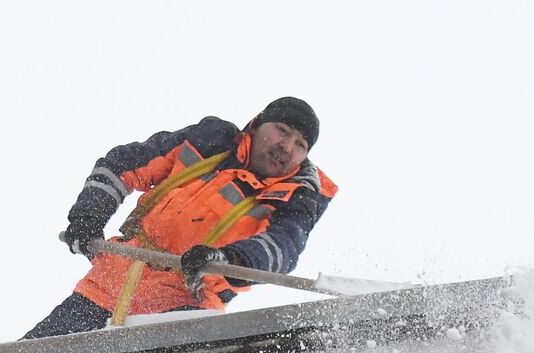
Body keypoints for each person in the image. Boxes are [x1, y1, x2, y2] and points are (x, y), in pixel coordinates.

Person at [23, 97, 337, 339]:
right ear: (256, 126)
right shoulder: (209, 139)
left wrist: (226, 258)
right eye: (282, 131)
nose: (287, 147)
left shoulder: (299, 197)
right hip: (110, 283)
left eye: (300, 144)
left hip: (187, 304)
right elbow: (123, 164)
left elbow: (282, 249)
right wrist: (88, 216)